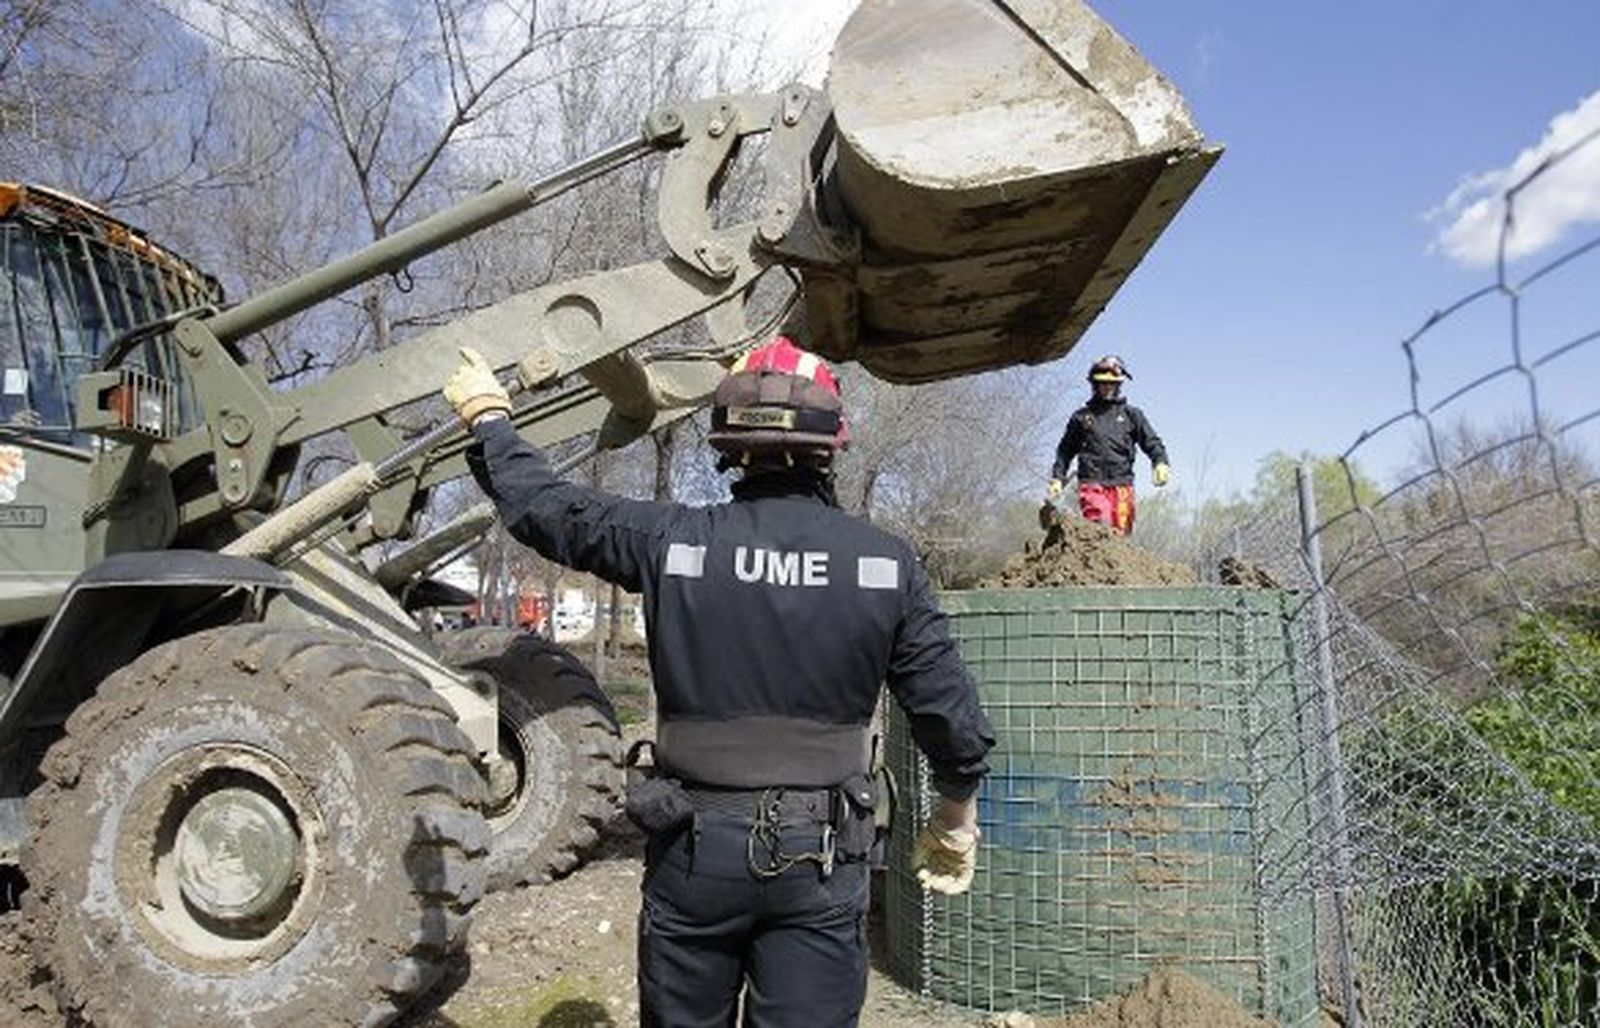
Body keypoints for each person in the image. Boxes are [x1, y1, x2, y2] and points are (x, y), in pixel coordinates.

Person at [444, 336, 995, 1028]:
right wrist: (955, 819)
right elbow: (947, 710)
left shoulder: (672, 543)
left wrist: (490, 421)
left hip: (692, 850)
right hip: (822, 860)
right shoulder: (883, 564)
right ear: (834, 444)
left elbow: (545, 508)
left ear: (729, 445)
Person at [1048, 354, 1169, 536]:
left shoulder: (1132, 415)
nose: (1106, 387)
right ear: (1094, 384)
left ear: (1118, 384)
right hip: (1091, 482)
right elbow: (1065, 450)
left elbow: (1151, 441)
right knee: (1100, 525)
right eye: (1101, 383)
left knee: (1120, 534)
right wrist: (1058, 477)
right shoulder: (1081, 417)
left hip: (1122, 484)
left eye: (1111, 383)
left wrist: (1160, 462)